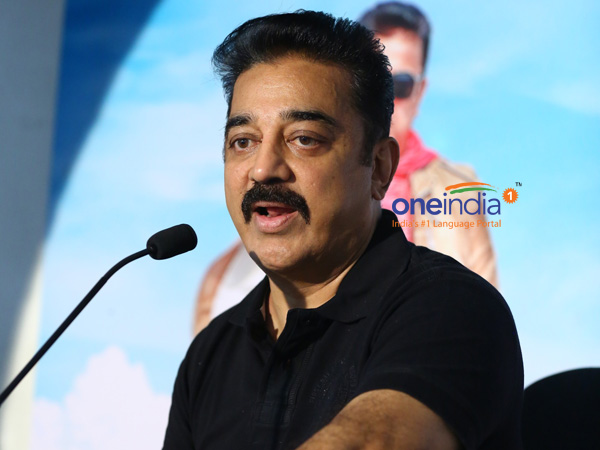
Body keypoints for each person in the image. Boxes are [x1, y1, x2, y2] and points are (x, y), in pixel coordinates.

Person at [164, 10, 523, 450]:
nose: (263, 168)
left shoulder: (454, 308)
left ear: (379, 167)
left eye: (304, 138)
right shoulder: (211, 352)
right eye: (243, 142)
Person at [193, 2, 497, 335]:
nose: (264, 169)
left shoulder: (459, 192)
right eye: (243, 141)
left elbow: (481, 321)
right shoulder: (223, 297)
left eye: (400, 85)